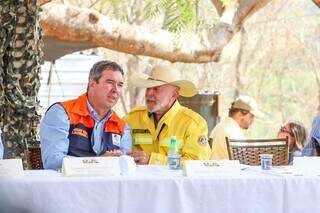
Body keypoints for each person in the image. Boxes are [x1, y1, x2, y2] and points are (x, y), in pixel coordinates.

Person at [40, 60, 132, 170]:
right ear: (92, 84)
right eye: (110, 82)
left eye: (120, 85)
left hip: (108, 186)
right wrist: (98, 163)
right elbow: (53, 162)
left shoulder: (122, 126)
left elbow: (125, 167)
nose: (115, 90)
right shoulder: (62, 113)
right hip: (67, 186)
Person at [124, 65, 211, 165]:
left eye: (156, 89)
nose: (149, 93)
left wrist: (152, 159)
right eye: (148, 88)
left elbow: (197, 163)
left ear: (174, 95)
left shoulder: (192, 123)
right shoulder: (132, 119)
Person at [210, 95, 263, 160]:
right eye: (251, 116)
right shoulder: (232, 132)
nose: (253, 120)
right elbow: (244, 160)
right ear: (240, 114)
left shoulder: (220, 126)